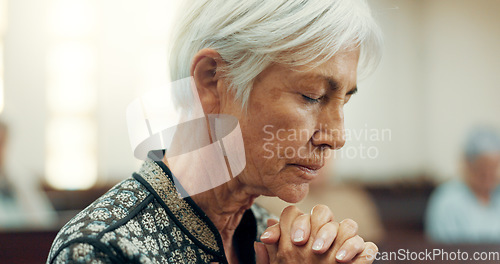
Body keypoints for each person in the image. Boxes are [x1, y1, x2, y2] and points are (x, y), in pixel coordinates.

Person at [47, 0, 383, 263]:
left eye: (344, 102)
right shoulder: (101, 250)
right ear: (211, 80)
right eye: (312, 96)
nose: (337, 137)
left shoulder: (279, 243)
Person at [256, 161, 385, 243]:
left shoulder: (354, 199)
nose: (318, 159)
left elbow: (375, 248)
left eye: (326, 149)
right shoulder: (269, 201)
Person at [425, 126, 500, 243]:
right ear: (467, 165)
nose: (488, 175)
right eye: (482, 169)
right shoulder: (447, 201)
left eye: (493, 168)